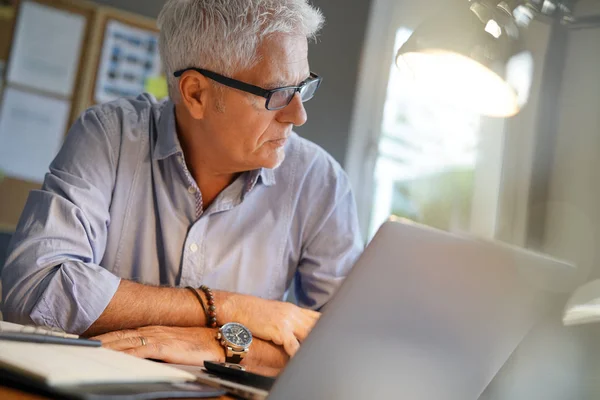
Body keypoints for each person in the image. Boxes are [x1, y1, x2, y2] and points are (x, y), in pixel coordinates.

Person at [1, 0, 363, 369]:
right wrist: (229, 308)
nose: (299, 115)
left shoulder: (321, 183)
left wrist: (213, 342)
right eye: (277, 93)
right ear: (196, 94)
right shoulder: (110, 136)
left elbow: (346, 346)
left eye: (303, 86)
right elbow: (36, 290)